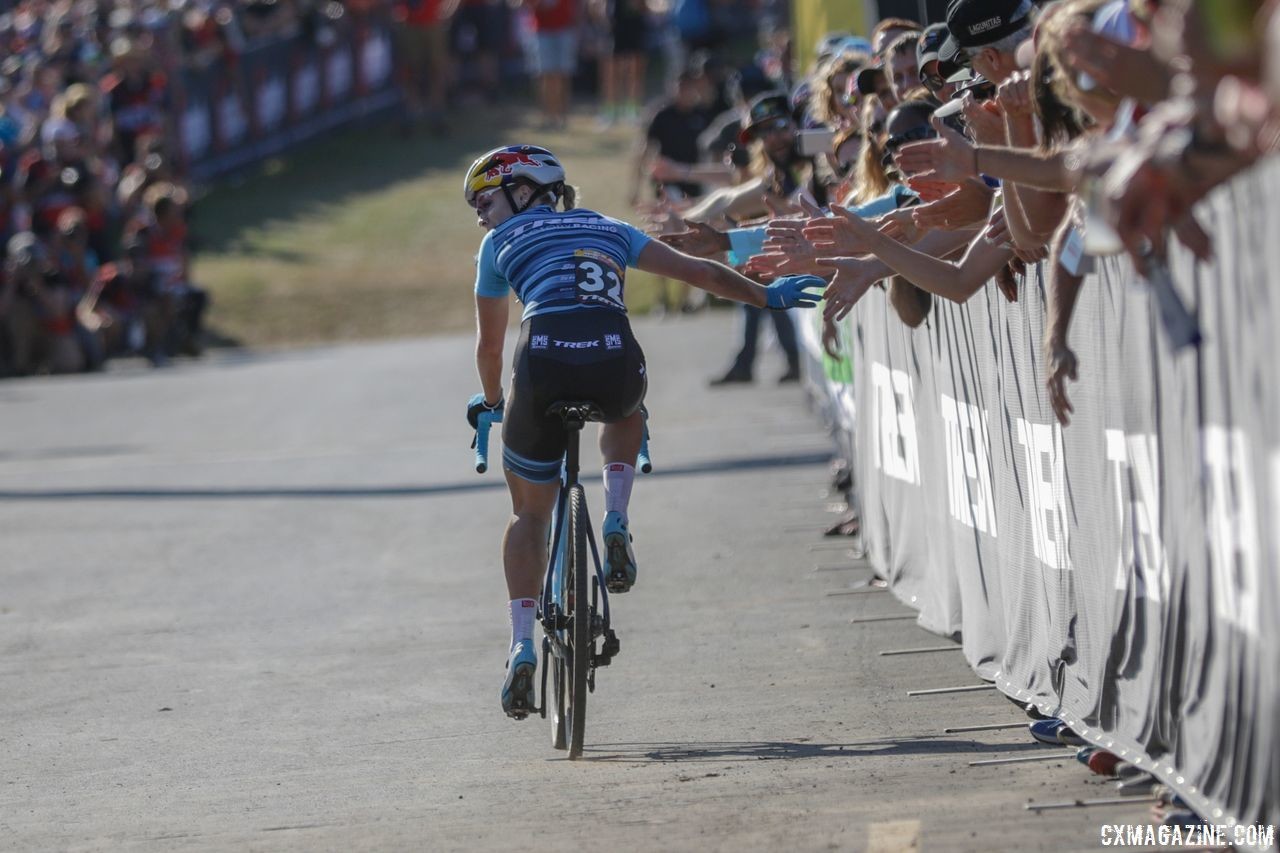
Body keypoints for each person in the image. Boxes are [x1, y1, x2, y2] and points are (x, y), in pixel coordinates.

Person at [461, 145, 824, 718]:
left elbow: (488, 346)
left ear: (525, 191)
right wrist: (768, 296)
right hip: (613, 356)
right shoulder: (609, 226)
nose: (480, 216)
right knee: (628, 408)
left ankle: (522, 644)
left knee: (530, 511)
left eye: (485, 201)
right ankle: (615, 519)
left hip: (542, 361)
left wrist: (490, 403)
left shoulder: (497, 245)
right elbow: (702, 274)